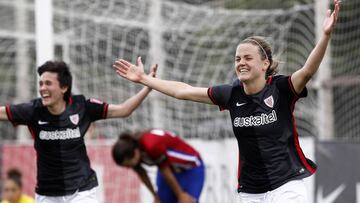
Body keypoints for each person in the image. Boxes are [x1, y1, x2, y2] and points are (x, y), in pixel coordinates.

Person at [112, 1, 340, 202]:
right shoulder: (230, 94)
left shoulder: (281, 88)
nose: (241, 62)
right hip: (250, 190)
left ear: (265, 64)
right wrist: (144, 79)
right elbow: (184, 91)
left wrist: (325, 36)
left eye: (248, 58)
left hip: (287, 183)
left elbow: (308, 70)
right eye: (237, 58)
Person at [0, 60, 157, 203]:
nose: (42, 88)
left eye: (48, 83)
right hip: (47, 193)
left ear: (64, 87)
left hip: (81, 191)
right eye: (40, 84)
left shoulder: (83, 107)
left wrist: (147, 86)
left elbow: (124, 110)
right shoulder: (32, 110)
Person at [112, 129, 205, 203]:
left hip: (191, 168)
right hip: (169, 170)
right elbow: (143, 174)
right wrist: (156, 196)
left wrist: (180, 195)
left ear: (135, 153)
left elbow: (166, 171)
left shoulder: (151, 146)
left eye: (128, 164)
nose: (129, 167)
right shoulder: (134, 150)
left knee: (187, 201)